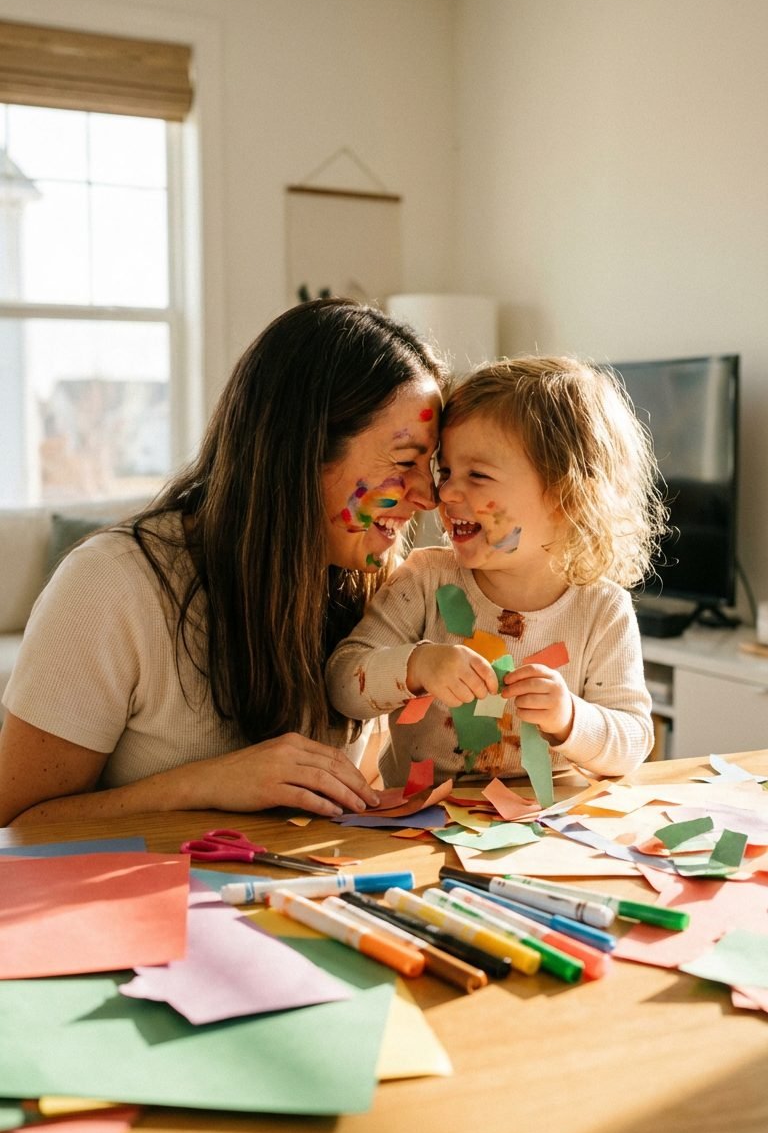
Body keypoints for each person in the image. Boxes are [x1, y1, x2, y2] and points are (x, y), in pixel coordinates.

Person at [0, 299, 447, 825]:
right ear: (302, 451)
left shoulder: (381, 584)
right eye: (404, 463)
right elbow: (14, 826)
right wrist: (205, 783)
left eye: (432, 467)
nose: (428, 497)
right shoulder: (112, 585)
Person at [326, 355, 666, 787]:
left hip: (545, 828)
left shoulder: (601, 608)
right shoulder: (426, 580)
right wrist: (417, 665)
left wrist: (569, 718)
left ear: (566, 496)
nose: (445, 491)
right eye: (446, 471)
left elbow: (634, 741)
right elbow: (341, 682)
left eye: (478, 475)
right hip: (418, 823)